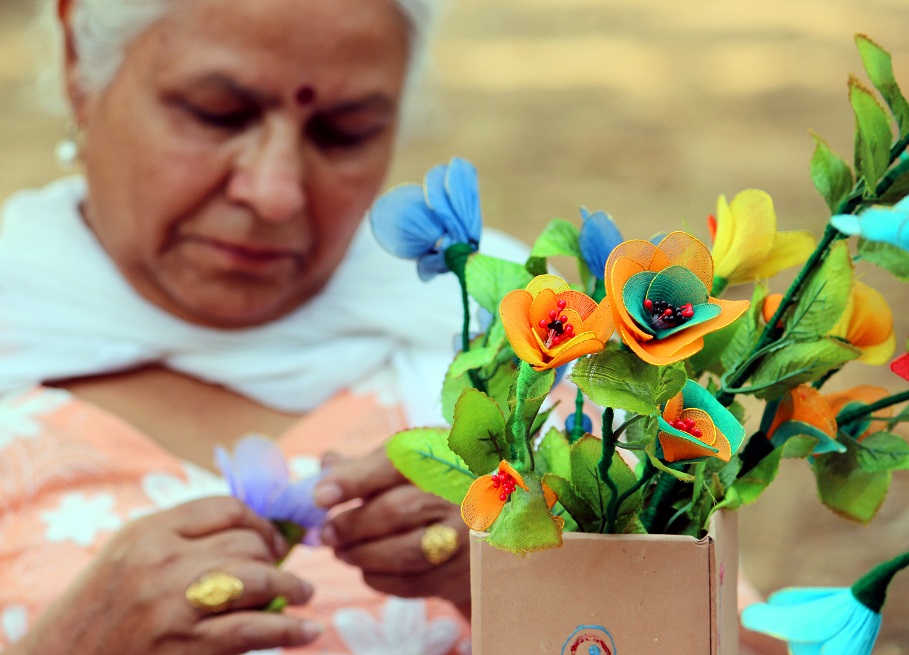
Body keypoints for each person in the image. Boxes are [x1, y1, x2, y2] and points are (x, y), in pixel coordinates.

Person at [0, 0, 532, 652]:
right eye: (214, 114)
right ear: (80, 62)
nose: (274, 191)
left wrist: (523, 576)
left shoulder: (509, 348)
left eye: (344, 131)